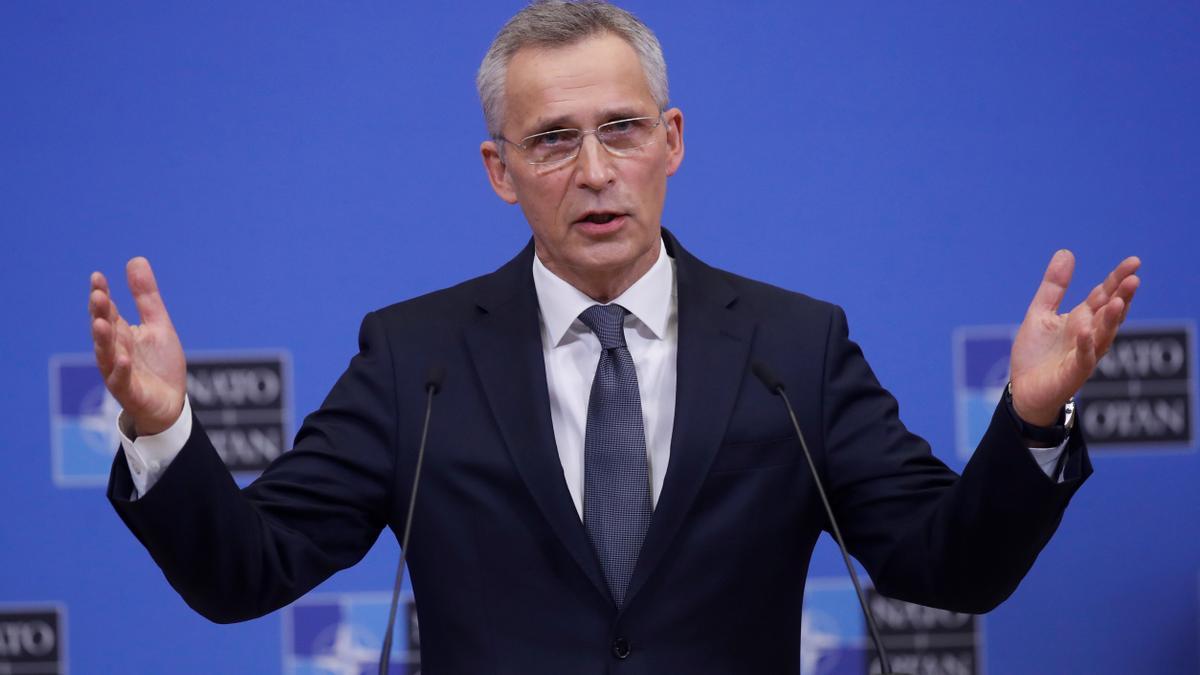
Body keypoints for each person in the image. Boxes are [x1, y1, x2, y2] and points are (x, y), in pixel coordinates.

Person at [87, 2, 1140, 672]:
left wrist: (1032, 421)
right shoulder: (418, 359)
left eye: (621, 130)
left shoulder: (794, 346)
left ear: (669, 143)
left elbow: (948, 564)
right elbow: (245, 576)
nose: (594, 171)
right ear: (500, 172)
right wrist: (168, 428)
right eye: (552, 141)